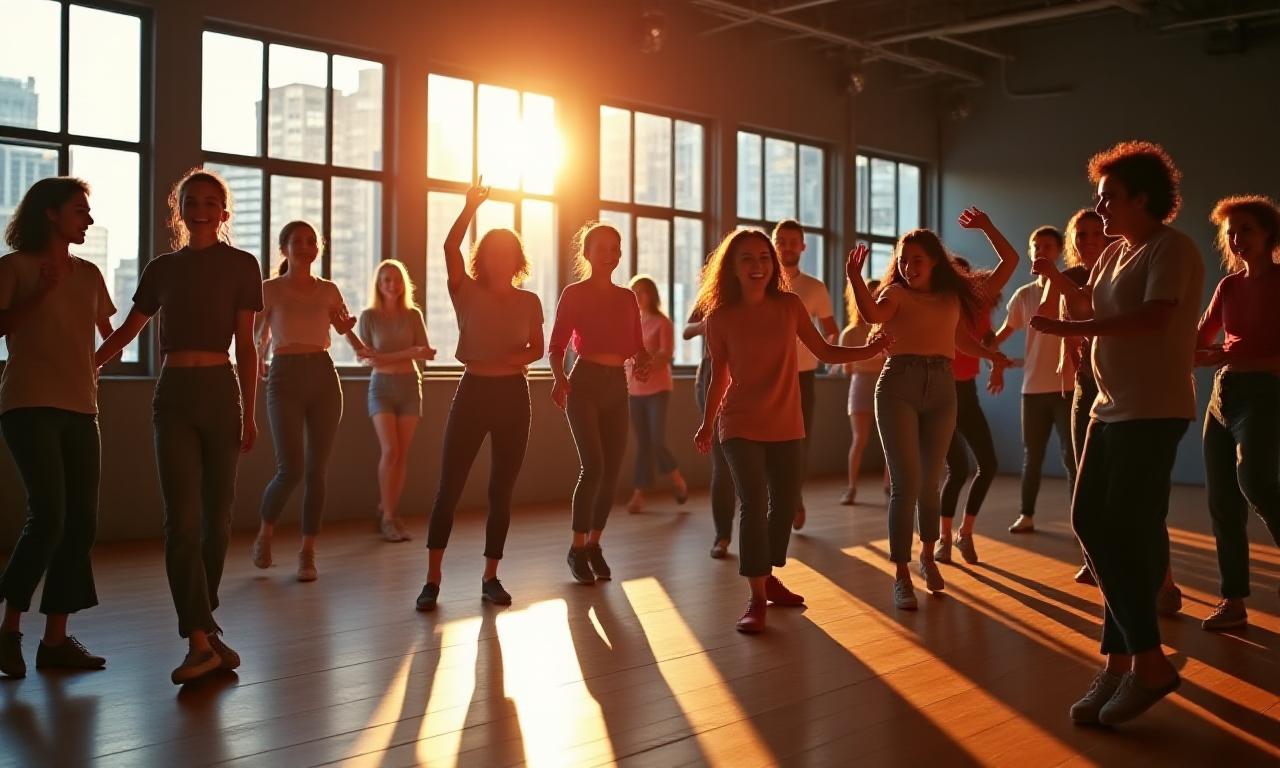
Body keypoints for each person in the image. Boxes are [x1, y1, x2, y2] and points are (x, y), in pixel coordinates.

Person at [1032, 140, 1202, 726]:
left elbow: (1155, 317)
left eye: (1109, 198)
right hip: (1110, 407)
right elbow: (1092, 303)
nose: (1099, 209)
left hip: (1153, 410)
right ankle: (1125, 661)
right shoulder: (1114, 255)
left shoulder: (1170, 249)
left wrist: (1070, 323)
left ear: (1143, 198)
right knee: (1090, 523)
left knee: (1125, 532)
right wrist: (1059, 293)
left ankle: (1142, 662)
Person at [95, 168, 262, 685]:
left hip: (221, 392)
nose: (201, 208)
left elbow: (248, 346)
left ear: (223, 211)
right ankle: (197, 638)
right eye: (191, 200)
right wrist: (93, 360)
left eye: (211, 201)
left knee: (218, 519)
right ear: (181, 210)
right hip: (173, 396)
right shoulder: (163, 268)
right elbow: (130, 327)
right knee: (181, 522)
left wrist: (251, 412)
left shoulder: (242, 265)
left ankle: (204, 626)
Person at [694, 228, 889, 633]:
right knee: (752, 504)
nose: (757, 266)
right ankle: (756, 597)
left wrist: (870, 350)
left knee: (784, 505)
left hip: (786, 421)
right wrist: (706, 424)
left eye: (763, 258)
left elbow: (826, 352)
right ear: (731, 266)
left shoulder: (790, 306)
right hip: (740, 422)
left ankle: (767, 577)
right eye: (746, 258)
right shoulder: (719, 318)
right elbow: (719, 377)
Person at [847, 208, 1016, 610]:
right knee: (906, 484)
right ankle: (902, 574)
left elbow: (1009, 265)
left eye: (916, 260)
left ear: (935, 261)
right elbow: (872, 314)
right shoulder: (895, 293)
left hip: (942, 388)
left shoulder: (952, 297)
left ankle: (927, 556)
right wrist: (855, 276)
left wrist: (988, 226)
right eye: (902, 260)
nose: (907, 267)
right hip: (898, 386)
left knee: (930, 482)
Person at [0, 178, 114, 678]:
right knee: (48, 515)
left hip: (81, 410)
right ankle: (8, 632)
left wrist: (108, 351)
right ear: (50, 214)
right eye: (79, 211)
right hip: (27, 405)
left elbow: (111, 333)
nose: (87, 219)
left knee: (80, 522)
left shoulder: (89, 274)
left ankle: (56, 641)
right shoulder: (15, 268)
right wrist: (41, 292)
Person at [416, 184, 544, 611]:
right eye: (492, 252)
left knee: (500, 491)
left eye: (508, 253)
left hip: (513, 396)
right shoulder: (464, 291)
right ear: (482, 259)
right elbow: (450, 244)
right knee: (448, 488)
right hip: (472, 391)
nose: (500, 259)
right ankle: (432, 580)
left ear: (517, 261)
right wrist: (470, 207)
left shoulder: (529, 301)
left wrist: (517, 355)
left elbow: (538, 349)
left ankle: (491, 576)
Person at [251, 221, 359, 582]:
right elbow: (255, 335)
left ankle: (307, 553)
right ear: (284, 249)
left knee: (317, 471)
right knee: (291, 468)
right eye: (296, 241)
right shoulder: (269, 289)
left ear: (318, 249)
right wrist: (261, 356)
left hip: (323, 376)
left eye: (311, 241)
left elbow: (342, 326)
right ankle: (265, 536)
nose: (304, 246)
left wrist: (354, 337)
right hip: (284, 375)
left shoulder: (328, 289)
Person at [1194, 194, 1280, 632]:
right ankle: (1233, 600)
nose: (1237, 237)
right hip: (1222, 396)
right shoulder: (1229, 286)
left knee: (1256, 481)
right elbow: (1202, 338)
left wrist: (1235, 357)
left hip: (1265, 395)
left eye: (1245, 228)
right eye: (1231, 231)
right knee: (1222, 501)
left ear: (1268, 234)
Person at [549, 223, 651, 585]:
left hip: (615, 386)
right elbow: (557, 345)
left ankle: (594, 544)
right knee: (592, 466)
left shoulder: (627, 298)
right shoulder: (574, 293)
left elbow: (637, 344)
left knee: (611, 471)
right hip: (586, 381)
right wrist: (560, 378)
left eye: (615, 247)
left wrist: (643, 359)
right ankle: (576, 549)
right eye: (602, 247)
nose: (610, 253)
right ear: (587, 253)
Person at [1002, 227, 1077, 534]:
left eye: (1047, 245)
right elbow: (1003, 333)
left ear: (1059, 250)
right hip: (1032, 390)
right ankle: (1026, 514)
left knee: (1072, 457)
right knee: (1032, 457)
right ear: (1030, 251)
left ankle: (1079, 521)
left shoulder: (1072, 286)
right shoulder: (1024, 295)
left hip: (1067, 388)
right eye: (1036, 246)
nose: (1041, 250)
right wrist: (986, 352)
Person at [358, 260, 435, 543]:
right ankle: (389, 519)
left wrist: (397, 354)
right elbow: (366, 358)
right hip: (381, 388)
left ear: (403, 284)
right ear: (379, 285)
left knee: (401, 454)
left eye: (396, 279)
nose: (392, 284)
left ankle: (388, 510)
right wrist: (408, 352)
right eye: (386, 280)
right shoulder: (369, 316)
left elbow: (425, 352)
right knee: (390, 451)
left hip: (409, 387)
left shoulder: (413, 315)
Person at [936, 259, 1003, 565]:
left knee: (988, 464)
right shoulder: (944, 308)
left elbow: (986, 338)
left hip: (968, 394)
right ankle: (944, 538)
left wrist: (995, 364)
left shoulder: (979, 309)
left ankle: (966, 533)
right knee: (958, 469)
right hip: (944, 394)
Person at [772, 220, 838, 530]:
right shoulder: (763, 283)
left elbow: (831, 331)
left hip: (803, 377)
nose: (786, 247)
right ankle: (776, 500)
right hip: (767, 376)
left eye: (792, 241)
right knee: (766, 442)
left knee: (799, 442)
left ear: (803, 247)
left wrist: (827, 353)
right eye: (781, 241)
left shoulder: (814, 287)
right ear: (774, 244)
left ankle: (793, 496)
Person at [624, 274, 687, 515]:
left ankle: (677, 481)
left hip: (657, 390)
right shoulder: (630, 323)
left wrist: (646, 365)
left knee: (656, 439)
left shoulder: (663, 323)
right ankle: (639, 495)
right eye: (634, 292)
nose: (638, 297)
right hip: (634, 391)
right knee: (643, 444)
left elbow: (666, 355)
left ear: (652, 294)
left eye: (642, 292)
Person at [685, 305, 737, 558]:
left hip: (748, 372)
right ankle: (723, 535)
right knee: (722, 460)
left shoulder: (757, 296)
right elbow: (685, 331)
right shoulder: (706, 300)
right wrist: (705, 326)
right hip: (711, 374)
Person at [838, 280, 885, 506]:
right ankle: (851, 488)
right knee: (859, 439)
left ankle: (889, 486)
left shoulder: (885, 330)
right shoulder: (849, 334)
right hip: (861, 386)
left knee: (890, 442)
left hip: (884, 385)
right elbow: (847, 369)